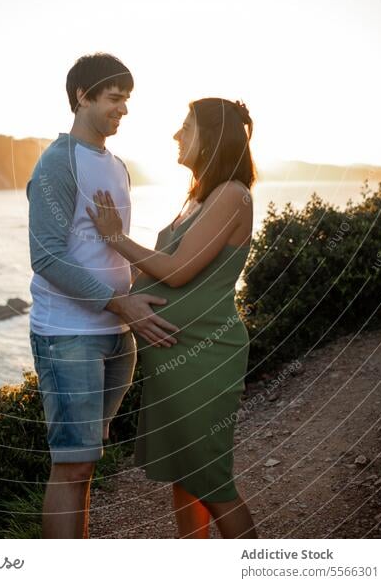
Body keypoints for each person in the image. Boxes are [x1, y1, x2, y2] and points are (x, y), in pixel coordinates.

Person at [88, 97, 258, 539]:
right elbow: (159, 265)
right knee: (186, 477)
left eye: (186, 127)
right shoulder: (198, 197)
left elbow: (179, 269)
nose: (176, 135)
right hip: (174, 356)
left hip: (205, 357)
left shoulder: (232, 195)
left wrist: (114, 238)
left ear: (211, 137)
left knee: (212, 480)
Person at [27, 53, 178, 539]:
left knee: (87, 464)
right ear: (82, 96)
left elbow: (112, 249)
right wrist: (121, 304)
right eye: (115, 98)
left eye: (126, 100)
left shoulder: (117, 165)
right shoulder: (57, 163)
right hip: (69, 336)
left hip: (117, 337)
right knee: (70, 467)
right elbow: (46, 258)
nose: (124, 110)